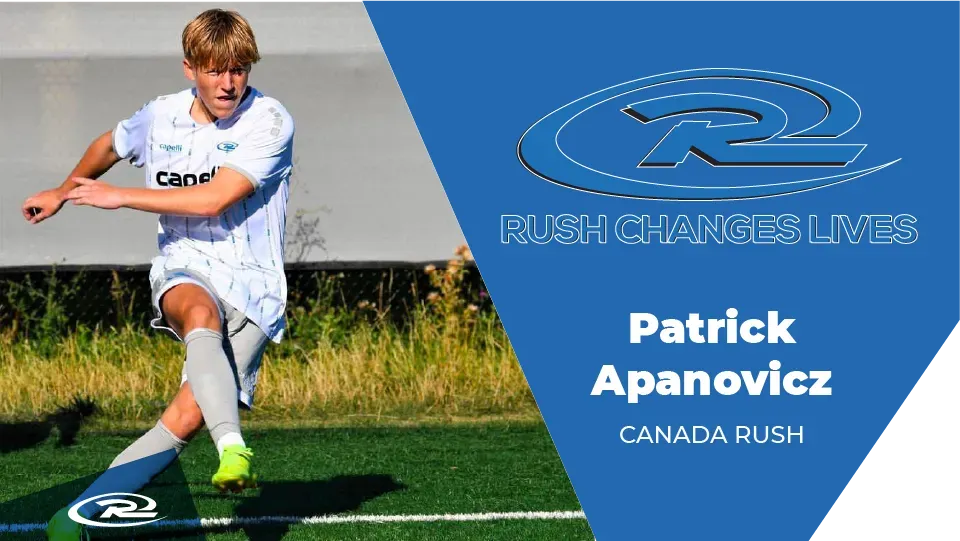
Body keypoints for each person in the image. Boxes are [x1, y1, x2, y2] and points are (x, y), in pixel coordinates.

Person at [21, 9, 295, 540]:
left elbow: (216, 199)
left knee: (184, 417)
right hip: (185, 262)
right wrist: (64, 189)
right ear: (189, 68)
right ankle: (233, 446)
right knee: (198, 311)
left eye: (239, 69)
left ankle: (75, 518)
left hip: (255, 285)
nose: (229, 82)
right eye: (215, 70)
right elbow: (108, 145)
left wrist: (119, 196)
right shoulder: (160, 116)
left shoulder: (271, 120)